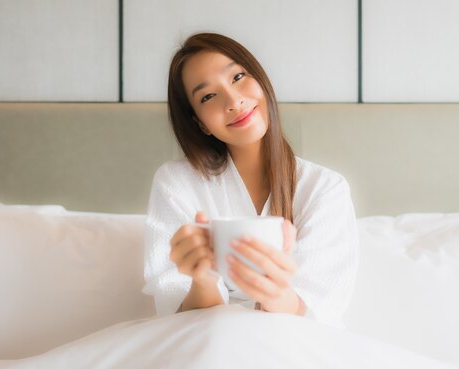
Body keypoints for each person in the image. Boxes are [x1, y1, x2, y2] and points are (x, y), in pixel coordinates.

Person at [142, 32, 358, 328]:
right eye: (207, 96)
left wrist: (276, 290)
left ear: (261, 79)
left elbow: (317, 313)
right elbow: (176, 313)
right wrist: (203, 280)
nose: (233, 101)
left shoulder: (325, 189)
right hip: (204, 339)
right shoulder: (176, 182)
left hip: (292, 343)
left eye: (238, 77)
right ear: (199, 123)